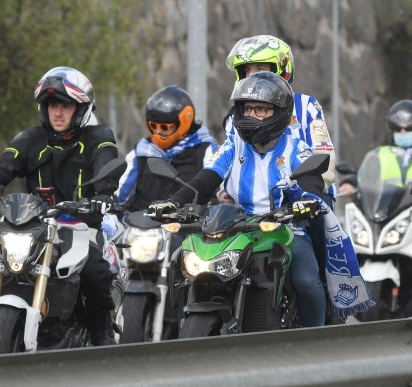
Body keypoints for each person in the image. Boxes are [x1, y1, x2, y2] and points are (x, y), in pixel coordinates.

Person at [148, 72, 338, 327]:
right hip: (235, 227)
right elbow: (206, 179)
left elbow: (309, 178)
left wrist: (307, 200)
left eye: (261, 109)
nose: (252, 115)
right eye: (248, 108)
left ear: (280, 112)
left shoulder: (294, 146)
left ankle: (314, 339)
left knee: (307, 281)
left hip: (285, 227)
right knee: (186, 265)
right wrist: (174, 202)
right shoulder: (233, 145)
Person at [0, 66, 120, 346]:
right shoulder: (29, 139)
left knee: (94, 270)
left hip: (80, 226)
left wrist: (103, 194)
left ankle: (102, 330)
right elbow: (2, 168)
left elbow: (106, 163)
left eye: (66, 106)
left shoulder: (98, 137)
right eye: (53, 106)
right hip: (34, 225)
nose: (58, 113)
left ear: (81, 109)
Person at [337, 99, 412, 300]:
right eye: (398, 129)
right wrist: (350, 183)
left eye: (408, 129)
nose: (403, 133)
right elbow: (363, 175)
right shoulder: (382, 154)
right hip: (386, 212)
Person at [224, 34, 336, 203]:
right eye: (246, 70)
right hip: (254, 202)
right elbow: (226, 158)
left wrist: (308, 195)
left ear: (282, 69)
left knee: (319, 216)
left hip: (307, 196)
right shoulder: (238, 114)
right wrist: (224, 193)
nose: (251, 76)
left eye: (260, 68)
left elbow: (324, 154)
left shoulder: (307, 105)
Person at [116, 85, 218, 212]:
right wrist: (107, 200)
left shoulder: (206, 149)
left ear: (184, 122)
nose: (158, 132)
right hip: (144, 221)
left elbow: (218, 188)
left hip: (188, 221)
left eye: (165, 127)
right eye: (153, 126)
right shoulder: (142, 151)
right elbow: (118, 192)